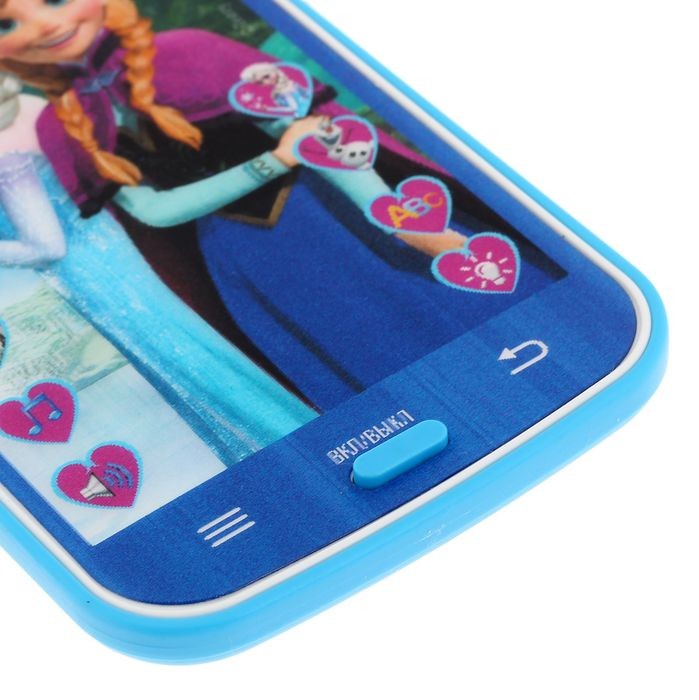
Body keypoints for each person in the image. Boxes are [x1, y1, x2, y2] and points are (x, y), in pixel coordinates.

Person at [0, 0, 554, 411]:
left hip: (334, 219)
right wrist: (273, 161)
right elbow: (155, 213)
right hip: (251, 263)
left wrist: (393, 217)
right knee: (372, 356)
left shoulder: (188, 50)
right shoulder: (59, 125)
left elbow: (319, 134)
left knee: (446, 311)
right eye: (7, 23)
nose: (45, 25)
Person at [0, 74, 316, 464]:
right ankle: (290, 455)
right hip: (106, 259)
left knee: (188, 365)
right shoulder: (32, 110)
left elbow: (47, 245)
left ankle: (290, 455)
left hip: (98, 275)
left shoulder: (9, 140)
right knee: (193, 362)